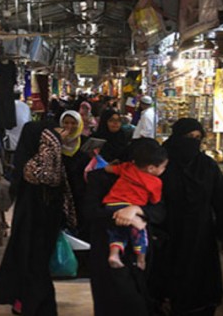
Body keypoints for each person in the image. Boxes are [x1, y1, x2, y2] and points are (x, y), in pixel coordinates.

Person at [150, 118, 223, 316]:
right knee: (166, 284)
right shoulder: (161, 163)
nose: (192, 142)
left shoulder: (207, 166)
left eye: (197, 138)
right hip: (168, 233)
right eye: (188, 137)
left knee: (199, 285)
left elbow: (222, 198)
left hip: (199, 235)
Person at [0, 120, 76, 315]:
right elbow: (49, 176)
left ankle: (28, 302)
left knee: (31, 261)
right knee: (33, 262)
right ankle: (30, 303)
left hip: (35, 219)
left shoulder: (33, 163)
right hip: (39, 219)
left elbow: (45, 176)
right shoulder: (43, 163)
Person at [84, 138, 166, 316]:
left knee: (138, 295)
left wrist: (136, 209)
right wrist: (123, 216)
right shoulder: (99, 177)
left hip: (137, 248)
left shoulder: (150, 178)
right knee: (117, 297)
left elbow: (160, 211)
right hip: (107, 246)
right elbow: (90, 212)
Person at [102, 141, 168, 270]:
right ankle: (141, 259)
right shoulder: (155, 182)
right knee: (139, 232)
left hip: (111, 204)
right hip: (129, 207)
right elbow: (155, 201)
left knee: (117, 234)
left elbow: (109, 169)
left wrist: (109, 166)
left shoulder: (127, 167)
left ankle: (114, 254)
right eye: (163, 167)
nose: (164, 170)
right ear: (151, 168)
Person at [59, 110, 91, 241]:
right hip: (62, 187)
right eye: (66, 123)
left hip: (80, 187)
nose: (69, 127)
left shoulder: (85, 141)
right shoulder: (56, 141)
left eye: (73, 123)